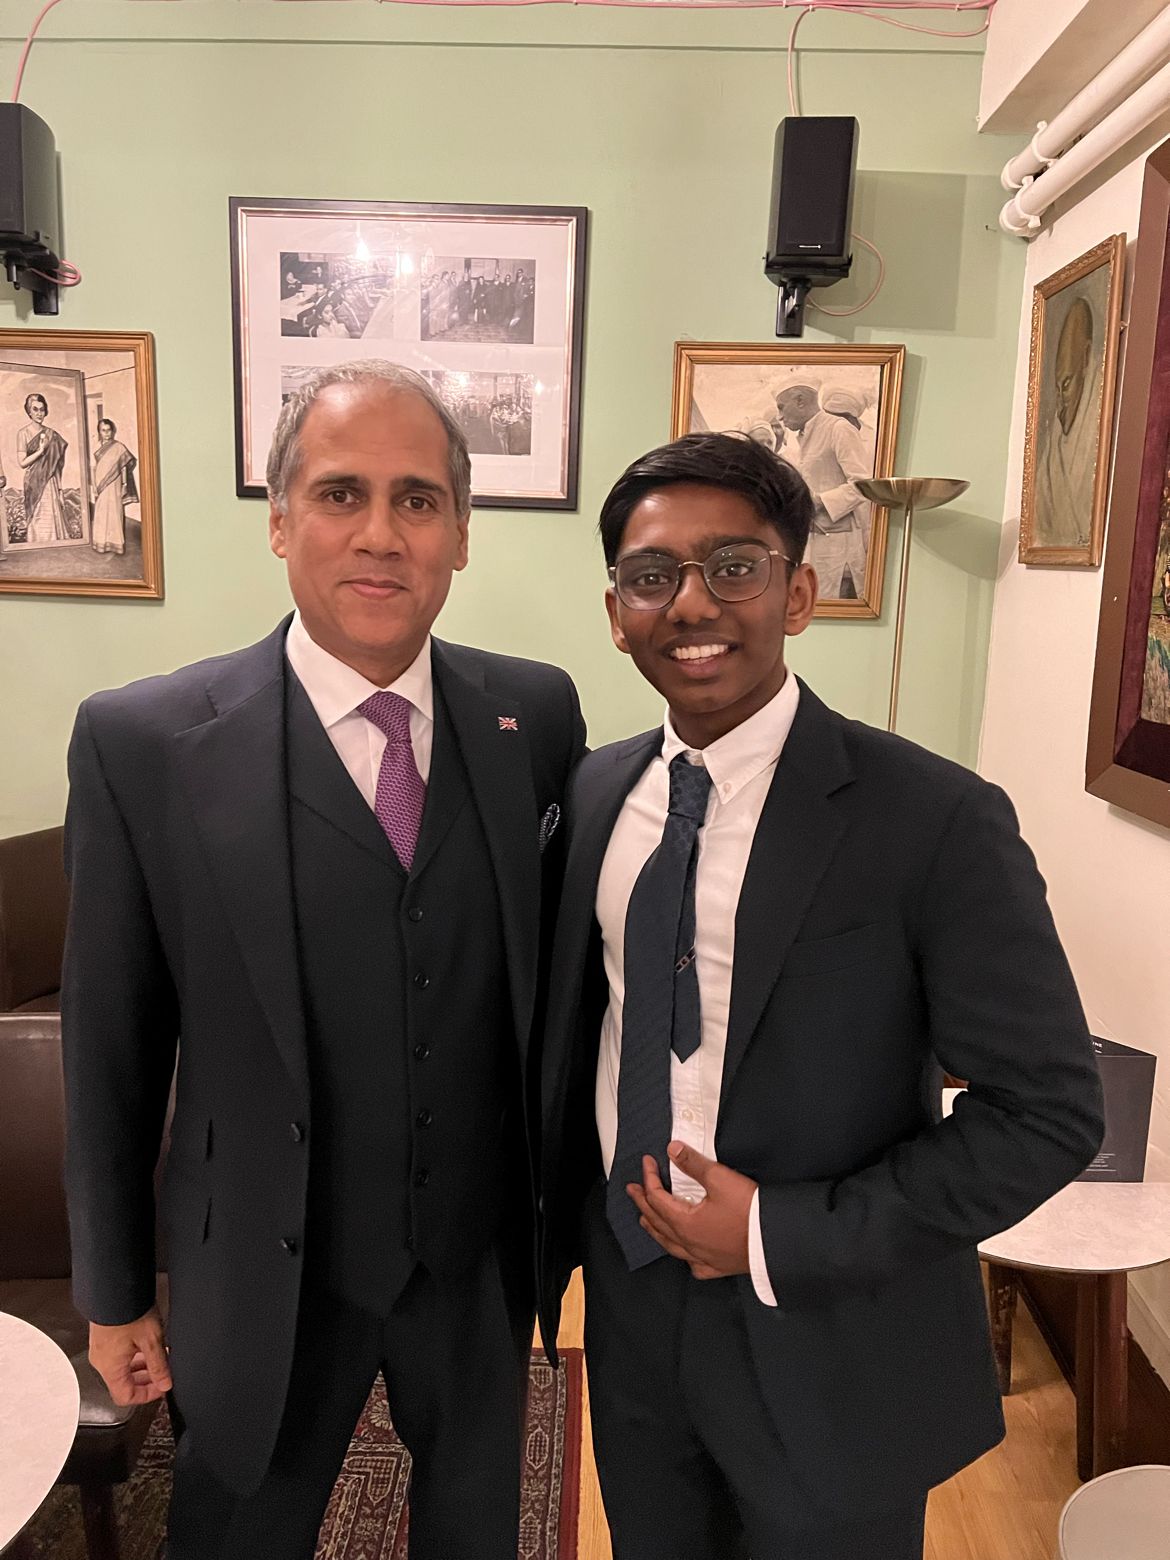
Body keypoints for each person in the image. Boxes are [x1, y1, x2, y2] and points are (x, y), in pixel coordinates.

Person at [538, 432, 1103, 1560]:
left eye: (733, 567)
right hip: (632, 1309)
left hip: (830, 1332)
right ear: (616, 613)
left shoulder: (934, 819)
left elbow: (1049, 1113)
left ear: (797, 593)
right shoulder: (594, 793)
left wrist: (776, 1233)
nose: (692, 603)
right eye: (652, 576)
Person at [62, 360, 586, 1560]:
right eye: (342, 493)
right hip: (261, 1266)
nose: (381, 534)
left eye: (418, 499)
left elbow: (562, 991)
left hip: (476, 1262)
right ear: (280, 519)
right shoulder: (145, 743)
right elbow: (109, 1046)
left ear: (462, 533)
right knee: (237, 1532)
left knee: (475, 1533)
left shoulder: (537, 719)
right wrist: (114, 1291)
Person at [774, 382, 870, 598]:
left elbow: (863, 484)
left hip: (840, 544)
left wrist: (818, 502)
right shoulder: (800, 440)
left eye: (781, 407)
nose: (780, 417)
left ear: (800, 400)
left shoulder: (838, 428)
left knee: (834, 602)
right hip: (812, 542)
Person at [1034, 297, 1099, 550]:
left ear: (1086, 358)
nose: (1060, 403)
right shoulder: (1056, 438)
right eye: (1057, 388)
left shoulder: (1100, 422)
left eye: (1067, 384)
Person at [18, 391, 69, 545]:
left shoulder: (52, 435)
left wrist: (60, 491)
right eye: (35, 409)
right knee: (37, 520)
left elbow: (56, 467)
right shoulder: (23, 433)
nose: (39, 413)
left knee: (51, 520)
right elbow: (22, 463)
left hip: (50, 483)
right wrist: (40, 451)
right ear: (29, 411)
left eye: (42, 409)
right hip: (33, 483)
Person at [90, 418, 138, 555]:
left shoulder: (119, 447)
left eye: (108, 430)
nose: (106, 433)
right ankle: (101, 543)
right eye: (103, 430)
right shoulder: (95, 447)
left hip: (115, 484)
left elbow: (123, 468)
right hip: (100, 485)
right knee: (101, 513)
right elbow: (93, 468)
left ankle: (116, 544)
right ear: (99, 432)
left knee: (115, 512)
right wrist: (94, 486)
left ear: (112, 431)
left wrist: (124, 484)